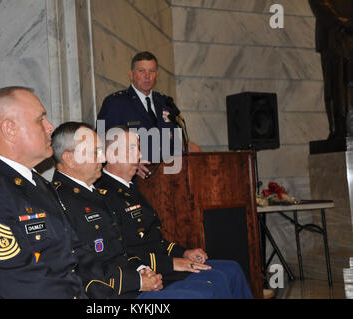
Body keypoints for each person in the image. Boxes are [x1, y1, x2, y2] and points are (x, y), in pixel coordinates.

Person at [51, 122, 224, 299]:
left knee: (215, 282)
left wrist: (142, 271)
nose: (103, 159)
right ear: (70, 159)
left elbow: (120, 250)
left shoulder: (93, 194)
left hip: (133, 280)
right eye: (95, 152)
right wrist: (139, 280)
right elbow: (85, 268)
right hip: (115, 293)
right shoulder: (59, 201)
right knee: (202, 292)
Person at [0, 86, 86, 298]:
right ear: (9, 129)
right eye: (41, 120)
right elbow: (19, 283)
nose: (50, 127)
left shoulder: (40, 185)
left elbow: (76, 258)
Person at [95, 126, 253, 299]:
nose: (140, 155)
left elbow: (154, 239)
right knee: (215, 281)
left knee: (232, 269)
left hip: (160, 264)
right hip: (144, 274)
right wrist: (172, 263)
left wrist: (183, 253)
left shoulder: (130, 188)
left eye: (138, 148)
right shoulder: (104, 195)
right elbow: (123, 252)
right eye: (132, 149)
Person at [97, 51, 201, 178]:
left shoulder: (165, 102)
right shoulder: (115, 103)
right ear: (131, 75)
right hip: (135, 180)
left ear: (156, 75)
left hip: (169, 178)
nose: (147, 76)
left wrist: (187, 148)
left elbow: (174, 140)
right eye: (141, 71)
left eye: (151, 71)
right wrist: (131, 163)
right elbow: (100, 142)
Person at [309, 0, 353, 138]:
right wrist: (344, 22)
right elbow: (319, 3)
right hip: (334, 36)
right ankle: (340, 130)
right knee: (337, 86)